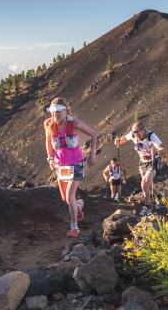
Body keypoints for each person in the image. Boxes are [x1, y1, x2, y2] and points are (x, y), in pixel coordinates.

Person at [44, 97, 97, 238]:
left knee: (69, 196)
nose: (55, 115)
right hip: (61, 165)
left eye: (58, 112)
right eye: (53, 112)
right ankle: (78, 205)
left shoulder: (74, 123)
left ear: (66, 111)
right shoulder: (49, 124)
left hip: (76, 163)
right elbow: (49, 143)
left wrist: (92, 154)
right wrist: (50, 158)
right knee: (66, 199)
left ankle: (74, 228)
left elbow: (93, 134)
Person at [114, 122, 163, 206]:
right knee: (149, 184)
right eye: (134, 133)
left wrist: (156, 148)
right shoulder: (132, 135)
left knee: (144, 184)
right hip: (142, 163)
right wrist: (118, 142)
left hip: (153, 162)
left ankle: (147, 206)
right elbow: (123, 139)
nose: (136, 135)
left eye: (137, 133)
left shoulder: (151, 136)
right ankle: (160, 196)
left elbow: (160, 146)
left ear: (143, 130)